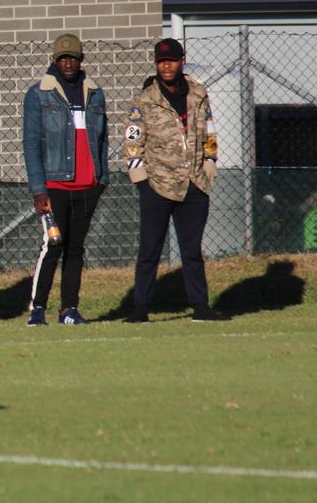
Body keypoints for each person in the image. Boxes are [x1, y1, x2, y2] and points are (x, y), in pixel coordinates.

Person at [122, 38, 227, 323]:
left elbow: (210, 131)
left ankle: (201, 306)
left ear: (182, 61)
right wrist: (141, 180)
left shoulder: (198, 93)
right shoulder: (144, 99)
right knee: (149, 250)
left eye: (171, 60)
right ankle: (140, 308)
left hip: (194, 183)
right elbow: (132, 142)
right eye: (161, 61)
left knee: (192, 249)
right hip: (157, 184)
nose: (166, 66)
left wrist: (210, 163)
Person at [21, 34, 109, 326]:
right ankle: (37, 310)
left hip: (88, 186)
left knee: (75, 249)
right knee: (53, 245)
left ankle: (69, 309)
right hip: (54, 186)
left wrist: (101, 178)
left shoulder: (95, 94)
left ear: (81, 60)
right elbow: (31, 144)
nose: (68, 63)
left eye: (73, 57)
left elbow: (103, 139)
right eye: (63, 58)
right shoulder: (39, 94)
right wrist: (38, 189)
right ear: (55, 60)